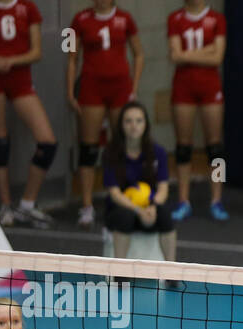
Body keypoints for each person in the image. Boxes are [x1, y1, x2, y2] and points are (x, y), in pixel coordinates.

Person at [0, 0, 57, 228]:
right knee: (0, 142)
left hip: (20, 79)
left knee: (47, 142)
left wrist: (11, 60)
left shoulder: (28, 8)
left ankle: (27, 204)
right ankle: (5, 205)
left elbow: (37, 51)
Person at [67, 1, 143, 229]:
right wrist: (70, 91)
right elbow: (72, 58)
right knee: (89, 147)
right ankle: (87, 206)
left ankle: (122, 199)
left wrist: (134, 87)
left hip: (120, 87)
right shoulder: (79, 20)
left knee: (121, 144)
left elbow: (138, 54)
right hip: (92, 87)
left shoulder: (125, 18)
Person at [167, 1, 229, 221]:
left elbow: (218, 57)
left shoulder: (216, 19)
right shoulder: (175, 19)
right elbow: (174, 57)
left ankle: (217, 200)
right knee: (183, 147)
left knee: (215, 147)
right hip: (183, 87)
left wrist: (186, 55)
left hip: (210, 87)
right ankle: (183, 200)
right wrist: (207, 50)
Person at [103, 101, 177, 262]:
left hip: (149, 209)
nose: (133, 126)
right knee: (125, 217)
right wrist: (138, 210)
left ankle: (172, 270)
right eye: (128, 121)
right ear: (121, 125)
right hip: (122, 209)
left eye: (139, 120)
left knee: (165, 215)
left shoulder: (158, 152)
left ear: (146, 124)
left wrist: (152, 207)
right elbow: (114, 194)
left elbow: (163, 189)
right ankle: (120, 272)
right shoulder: (111, 153)